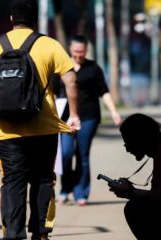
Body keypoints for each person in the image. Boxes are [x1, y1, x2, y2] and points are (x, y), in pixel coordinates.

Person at [0, 0, 80, 239]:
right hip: (44, 128)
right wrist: (73, 114)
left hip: (6, 129)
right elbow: (71, 81)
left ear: (12, 19)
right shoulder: (50, 45)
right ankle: (41, 233)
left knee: (12, 181)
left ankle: (13, 232)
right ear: (36, 20)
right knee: (43, 180)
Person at [54, 35, 121, 206]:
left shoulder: (93, 69)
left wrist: (113, 111)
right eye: (76, 51)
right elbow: (53, 92)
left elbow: (103, 91)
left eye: (82, 52)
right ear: (70, 50)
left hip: (88, 117)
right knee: (66, 153)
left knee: (82, 155)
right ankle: (65, 188)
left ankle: (81, 192)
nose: (79, 55)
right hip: (65, 118)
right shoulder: (61, 66)